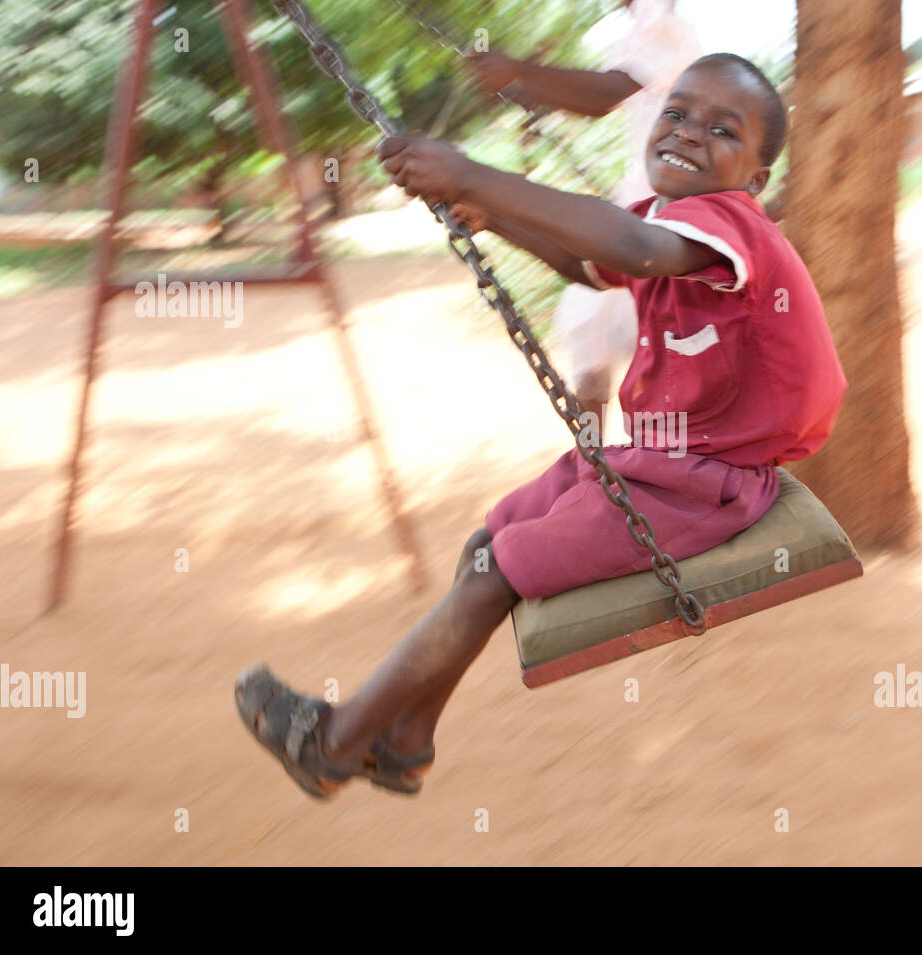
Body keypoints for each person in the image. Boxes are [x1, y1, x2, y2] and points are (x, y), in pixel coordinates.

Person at [234, 53, 847, 799]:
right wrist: (497, 220)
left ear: (755, 179)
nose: (688, 133)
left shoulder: (729, 226)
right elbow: (588, 263)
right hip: (651, 459)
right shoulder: (671, 223)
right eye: (678, 113)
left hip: (703, 484)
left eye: (723, 130)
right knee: (485, 548)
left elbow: (630, 250)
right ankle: (404, 738)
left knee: (494, 577)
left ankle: (333, 744)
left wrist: (474, 177)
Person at [466, 0, 700, 435]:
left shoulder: (668, 29)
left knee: (660, 337)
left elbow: (604, 96)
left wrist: (518, 71)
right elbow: (597, 96)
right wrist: (521, 84)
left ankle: (644, 470)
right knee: (588, 318)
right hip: (645, 201)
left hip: (670, 208)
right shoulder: (640, 32)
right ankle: (596, 465)